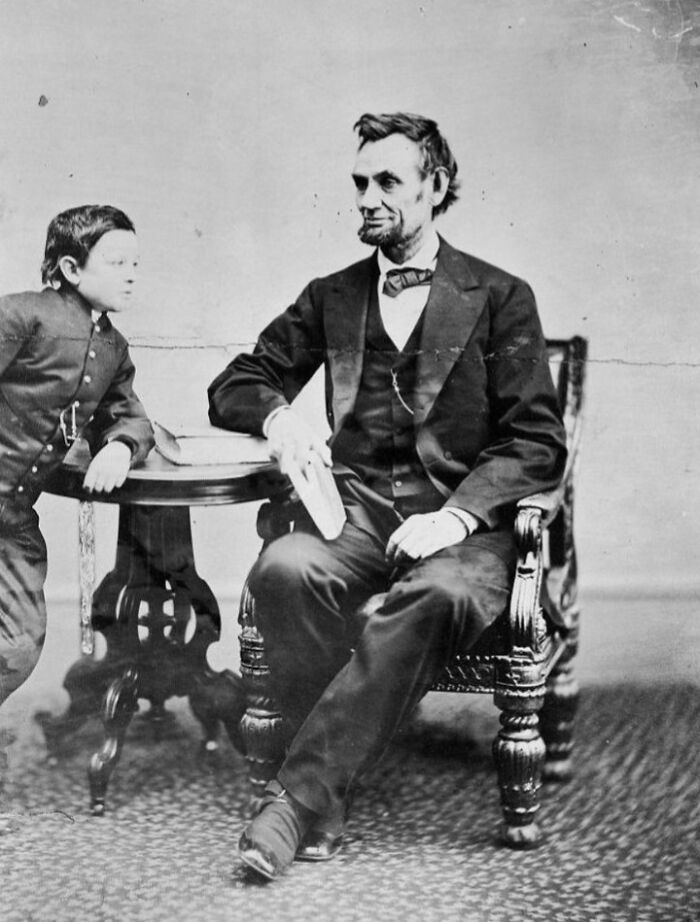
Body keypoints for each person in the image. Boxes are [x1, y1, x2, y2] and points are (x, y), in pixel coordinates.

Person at [208, 112, 567, 880]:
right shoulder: (332, 297)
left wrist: (459, 515)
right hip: (360, 513)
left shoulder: (501, 296)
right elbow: (237, 380)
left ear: (436, 188)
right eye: (359, 183)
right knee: (284, 570)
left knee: (435, 594)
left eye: (388, 183)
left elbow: (538, 442)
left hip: (465, 531)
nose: (368, 198)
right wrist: (278, 419)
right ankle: (326, 794)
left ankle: (297, 803)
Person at [0, 205, 154, 827]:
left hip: (11, 520)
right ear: (70, 266)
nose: (131, 275)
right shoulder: (22, 315)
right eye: (116, 262)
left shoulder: (112, 346)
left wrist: (119, 445)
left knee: (18, 644)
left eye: (135, 263)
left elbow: (130, 415)